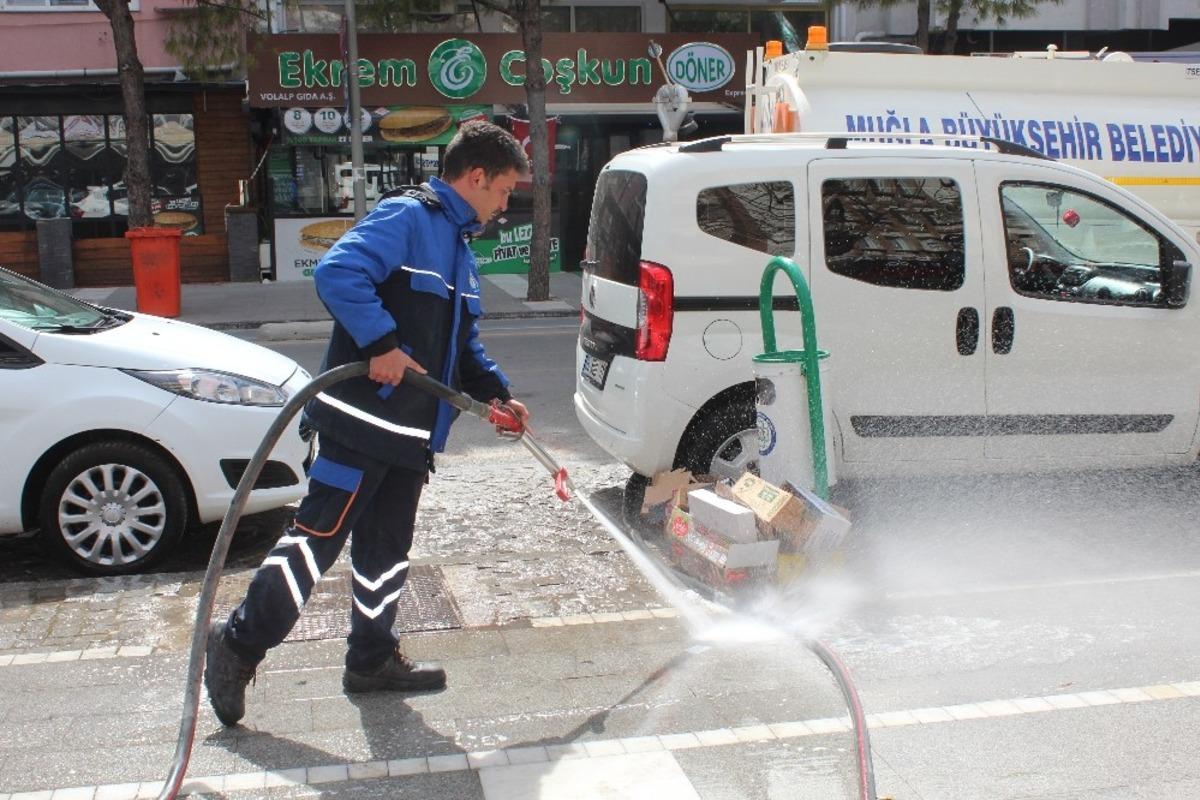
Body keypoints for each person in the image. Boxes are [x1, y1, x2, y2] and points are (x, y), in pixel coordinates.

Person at [204, 120, 530, 727]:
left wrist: (497, 395)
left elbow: (460, 344)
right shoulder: (409, 219)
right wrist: (379, 341)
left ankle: (371, 660)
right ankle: (236, 645)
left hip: (408, 438)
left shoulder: (458, 247)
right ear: (477, 176)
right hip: (359, 424)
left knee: (386, 551)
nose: (506, 204)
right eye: (505, 190)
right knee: (315, 545)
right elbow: (338, 273)